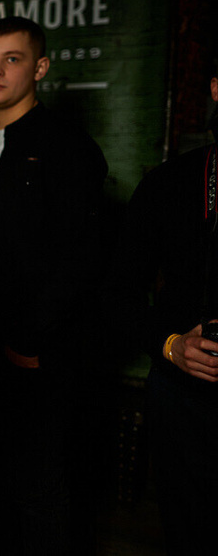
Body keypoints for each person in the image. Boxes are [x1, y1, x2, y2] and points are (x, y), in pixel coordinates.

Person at [0, 16, 108, 554]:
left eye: (11, 59)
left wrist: (35, 340)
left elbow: (82, 255)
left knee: (37, 486)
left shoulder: (66, 145)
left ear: (40, 68)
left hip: (30, 347)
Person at [108, 67, 218, 556]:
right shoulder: (169, 183)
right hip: (184, 401)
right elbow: (117, 294)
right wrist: (171, 345)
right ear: (215, 87)